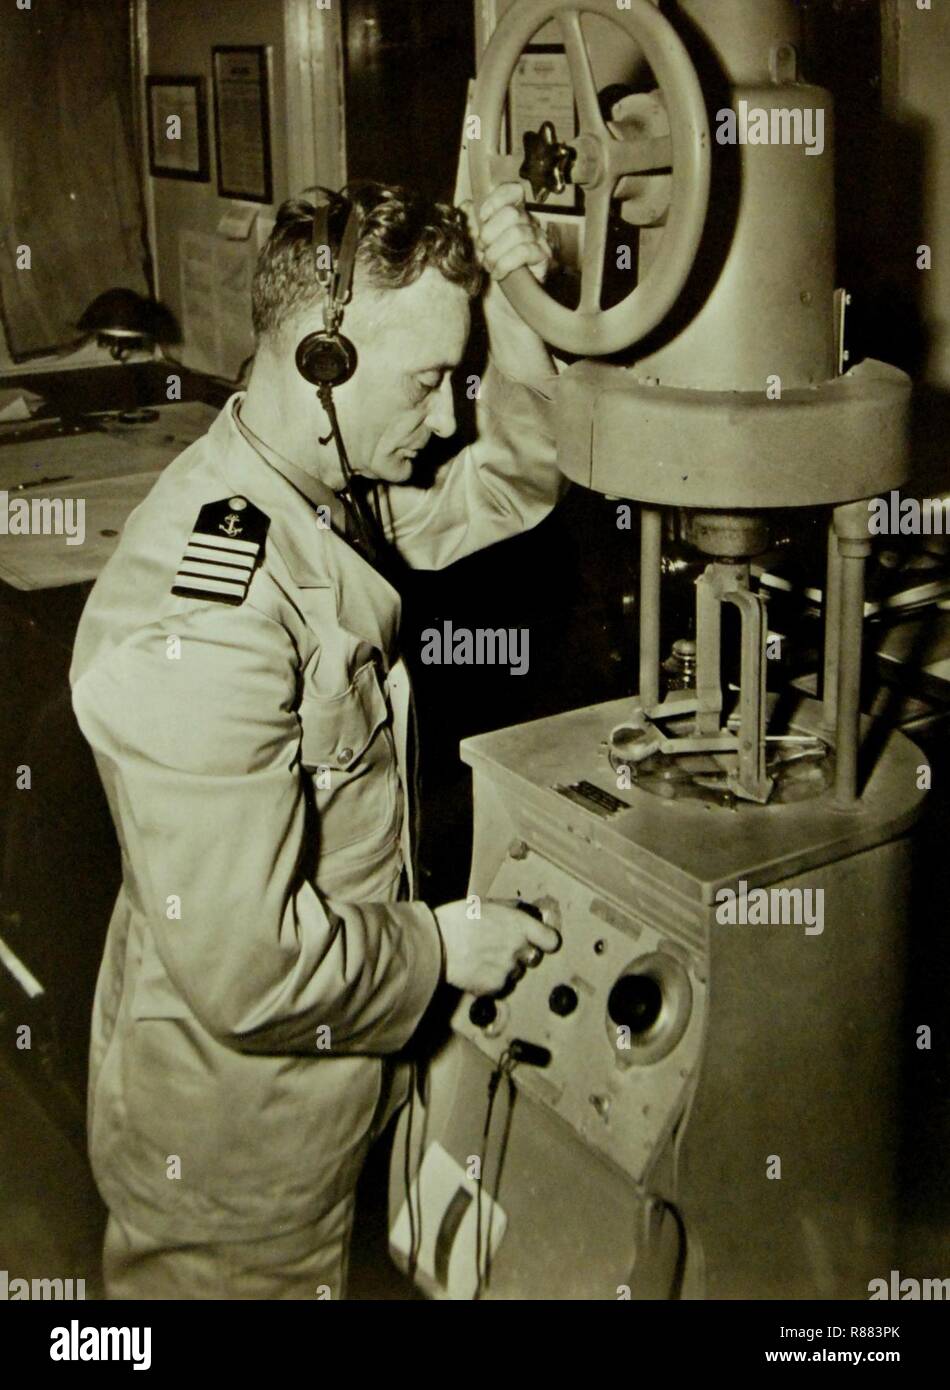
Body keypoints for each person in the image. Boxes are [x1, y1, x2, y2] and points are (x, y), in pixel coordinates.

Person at [70, 179, 564, 1300]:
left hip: (341, 1090)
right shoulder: (214, 606)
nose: (445, 420)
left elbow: (510, 479)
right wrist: (444, 948)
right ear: (322, 361)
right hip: (235, 1156)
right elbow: (249, 966)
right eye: (429, 380)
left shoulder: (319, 489)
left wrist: (527, 309)